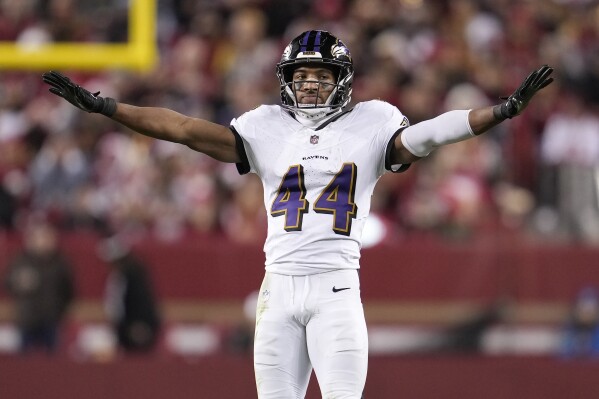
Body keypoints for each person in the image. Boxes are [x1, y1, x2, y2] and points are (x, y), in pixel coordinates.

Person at [42, 30, 553, 398]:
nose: (309, 83)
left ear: (342, 80)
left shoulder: (373, 122)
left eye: (321, 74)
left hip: (335, 288)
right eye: (302, 74)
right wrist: (108, 108)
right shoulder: (265, 126)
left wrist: (500, 112)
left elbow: (429, 134)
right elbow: (184, 129)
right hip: (277, 290)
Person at [3, 217, 75, 353]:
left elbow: (69, 290)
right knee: (25, 363)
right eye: (41, 237)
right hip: (27, 318)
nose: (44, 241)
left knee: (53, 362)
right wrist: (18, 282)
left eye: (48, 237)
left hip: (52, 319)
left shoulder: (60, 262)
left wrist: (60, 310)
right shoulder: (20, 260)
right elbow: (7, 284)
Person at [97, 237, 161, 353]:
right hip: (125, 325)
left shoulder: (133, 275)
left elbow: (142, 301)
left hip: (135, 325)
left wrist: (140, 323)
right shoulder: (119, 275)